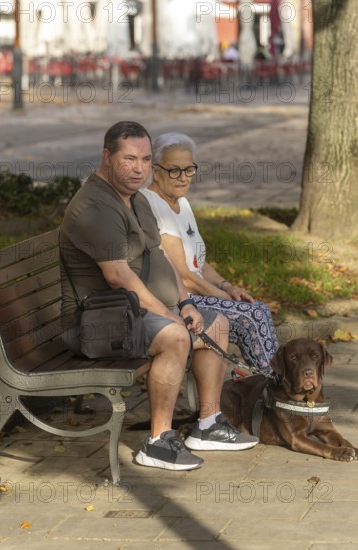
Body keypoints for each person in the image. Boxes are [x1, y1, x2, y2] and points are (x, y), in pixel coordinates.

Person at [59, 121, 258, 473]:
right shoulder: (95, 206)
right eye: (129, 159)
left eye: (146, 160)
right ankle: (158, 442)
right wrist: (168, 316)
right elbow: (117, 275)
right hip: (96, 322)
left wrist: (185, 303)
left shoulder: (136, 198)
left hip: (129, 313)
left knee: (215, 323)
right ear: (107, 157)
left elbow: (161, 258)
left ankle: (209, 425)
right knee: (175, 336)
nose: (139, 168)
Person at [141, 132, 279, 375]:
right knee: (253, 315)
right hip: (177, 301)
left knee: (257, 309)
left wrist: (227, 287)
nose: (183, 178)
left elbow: (200, 263)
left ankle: (269, 385)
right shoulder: (152, 204)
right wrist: (222, 298)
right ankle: (275, 386)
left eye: (189, 170)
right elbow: (183, 276)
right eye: (174, 170)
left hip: (199, 293)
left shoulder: (181, 202)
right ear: (156, 170)